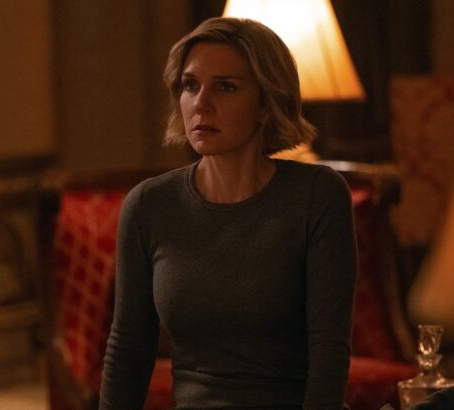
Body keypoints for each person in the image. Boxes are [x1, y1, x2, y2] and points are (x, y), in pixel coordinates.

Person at [99, 17, 357, 410]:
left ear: (266, 104)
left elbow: (329, 351)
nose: (201, 103)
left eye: (225, 87)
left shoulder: (317, 195)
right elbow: (128, 348)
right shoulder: (149, 205)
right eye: (190, 85)